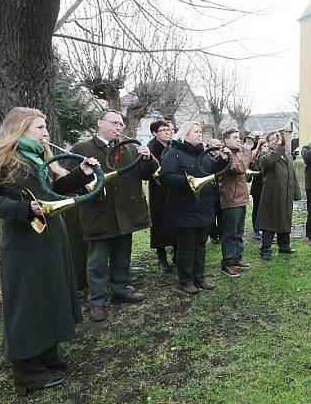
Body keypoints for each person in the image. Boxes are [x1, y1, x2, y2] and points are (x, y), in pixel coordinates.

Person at [0, 107, 99, 395]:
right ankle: (27, 373)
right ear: (20, 128)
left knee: (51, 294)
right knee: (28, 304)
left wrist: (81, 174)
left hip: (51, 238)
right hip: (23, 243)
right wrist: (22, 210)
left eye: (45, 127)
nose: (46, 132)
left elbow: (52, 191)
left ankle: (46, 353)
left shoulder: (38, 156)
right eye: (40, 127)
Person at [72, 110, 157, 323]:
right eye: (114, 123)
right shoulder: (82, 149)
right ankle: (97, 302)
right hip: (99, 214)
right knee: (97, 262)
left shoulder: (129, 148)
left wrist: (148, 159)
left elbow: (147, 174)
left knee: (122, 256)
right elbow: (67, 181)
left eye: (121, 124)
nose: (119, 127)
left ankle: (121, 290)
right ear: (100, 123)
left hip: (125, 214)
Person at [160, 121, 229, 292]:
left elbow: (212, 171)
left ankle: (200, 278)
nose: (200, 134)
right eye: (196, 132)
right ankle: (186, 280)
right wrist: (189, 183)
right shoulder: (174, 153)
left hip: (204, 207)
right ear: (185, 135)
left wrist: (222, 160)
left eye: (200, 132)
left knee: (200, 244)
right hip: (184, 208)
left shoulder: (203, 153)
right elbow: (166, 177)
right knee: (186, 247)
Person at [255, 130, 302, 260]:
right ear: (268, 143)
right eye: (274, 140)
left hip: (286, 194)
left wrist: (295, 193)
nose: (277, 141)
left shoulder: (286, 155)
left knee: (285, 219)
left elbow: (292, 175)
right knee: (269, 222)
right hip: (272, 195)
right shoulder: (265, 154)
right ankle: (265, 249)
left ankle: (284, 246)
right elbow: (267, 162)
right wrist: (279, 148)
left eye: (278, 139)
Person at [216, 127, 253, 277]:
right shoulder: (225, 155)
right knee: (229, 234)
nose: (239, 140)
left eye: (239, 137)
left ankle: (237, 258)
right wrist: (248, 153)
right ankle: (228, 263)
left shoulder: (235, 154)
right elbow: (239, 169)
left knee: (238, 232)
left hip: (240, 199)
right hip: (230, 200)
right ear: (226, 140)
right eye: (235, 137)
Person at [146, 119, 177, 272]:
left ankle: (177, 253)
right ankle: (161, 256)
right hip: (158, 190)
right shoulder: (150, 148)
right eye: (164, 130)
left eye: (169, 129)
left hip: (173, 188)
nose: (168, 132)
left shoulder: (172, 145)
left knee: (176, 220)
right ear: (154, 133)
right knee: (159, 222)